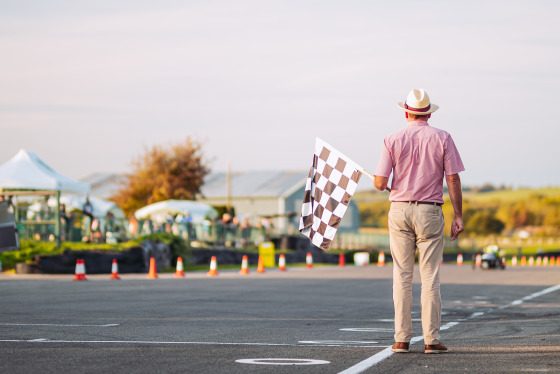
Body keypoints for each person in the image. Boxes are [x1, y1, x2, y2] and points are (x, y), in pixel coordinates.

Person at [373, 88, 465, 354]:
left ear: (406, 112)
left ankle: (401, 339)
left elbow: (380, 182)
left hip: (399, 210)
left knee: (402, 276)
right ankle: (431, 340)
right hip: (429, 211)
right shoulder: (443, 138)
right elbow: (453, 179)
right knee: (429, 276)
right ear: (428, 113)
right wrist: (458, 215)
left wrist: (381, 183)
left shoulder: (391, 138)